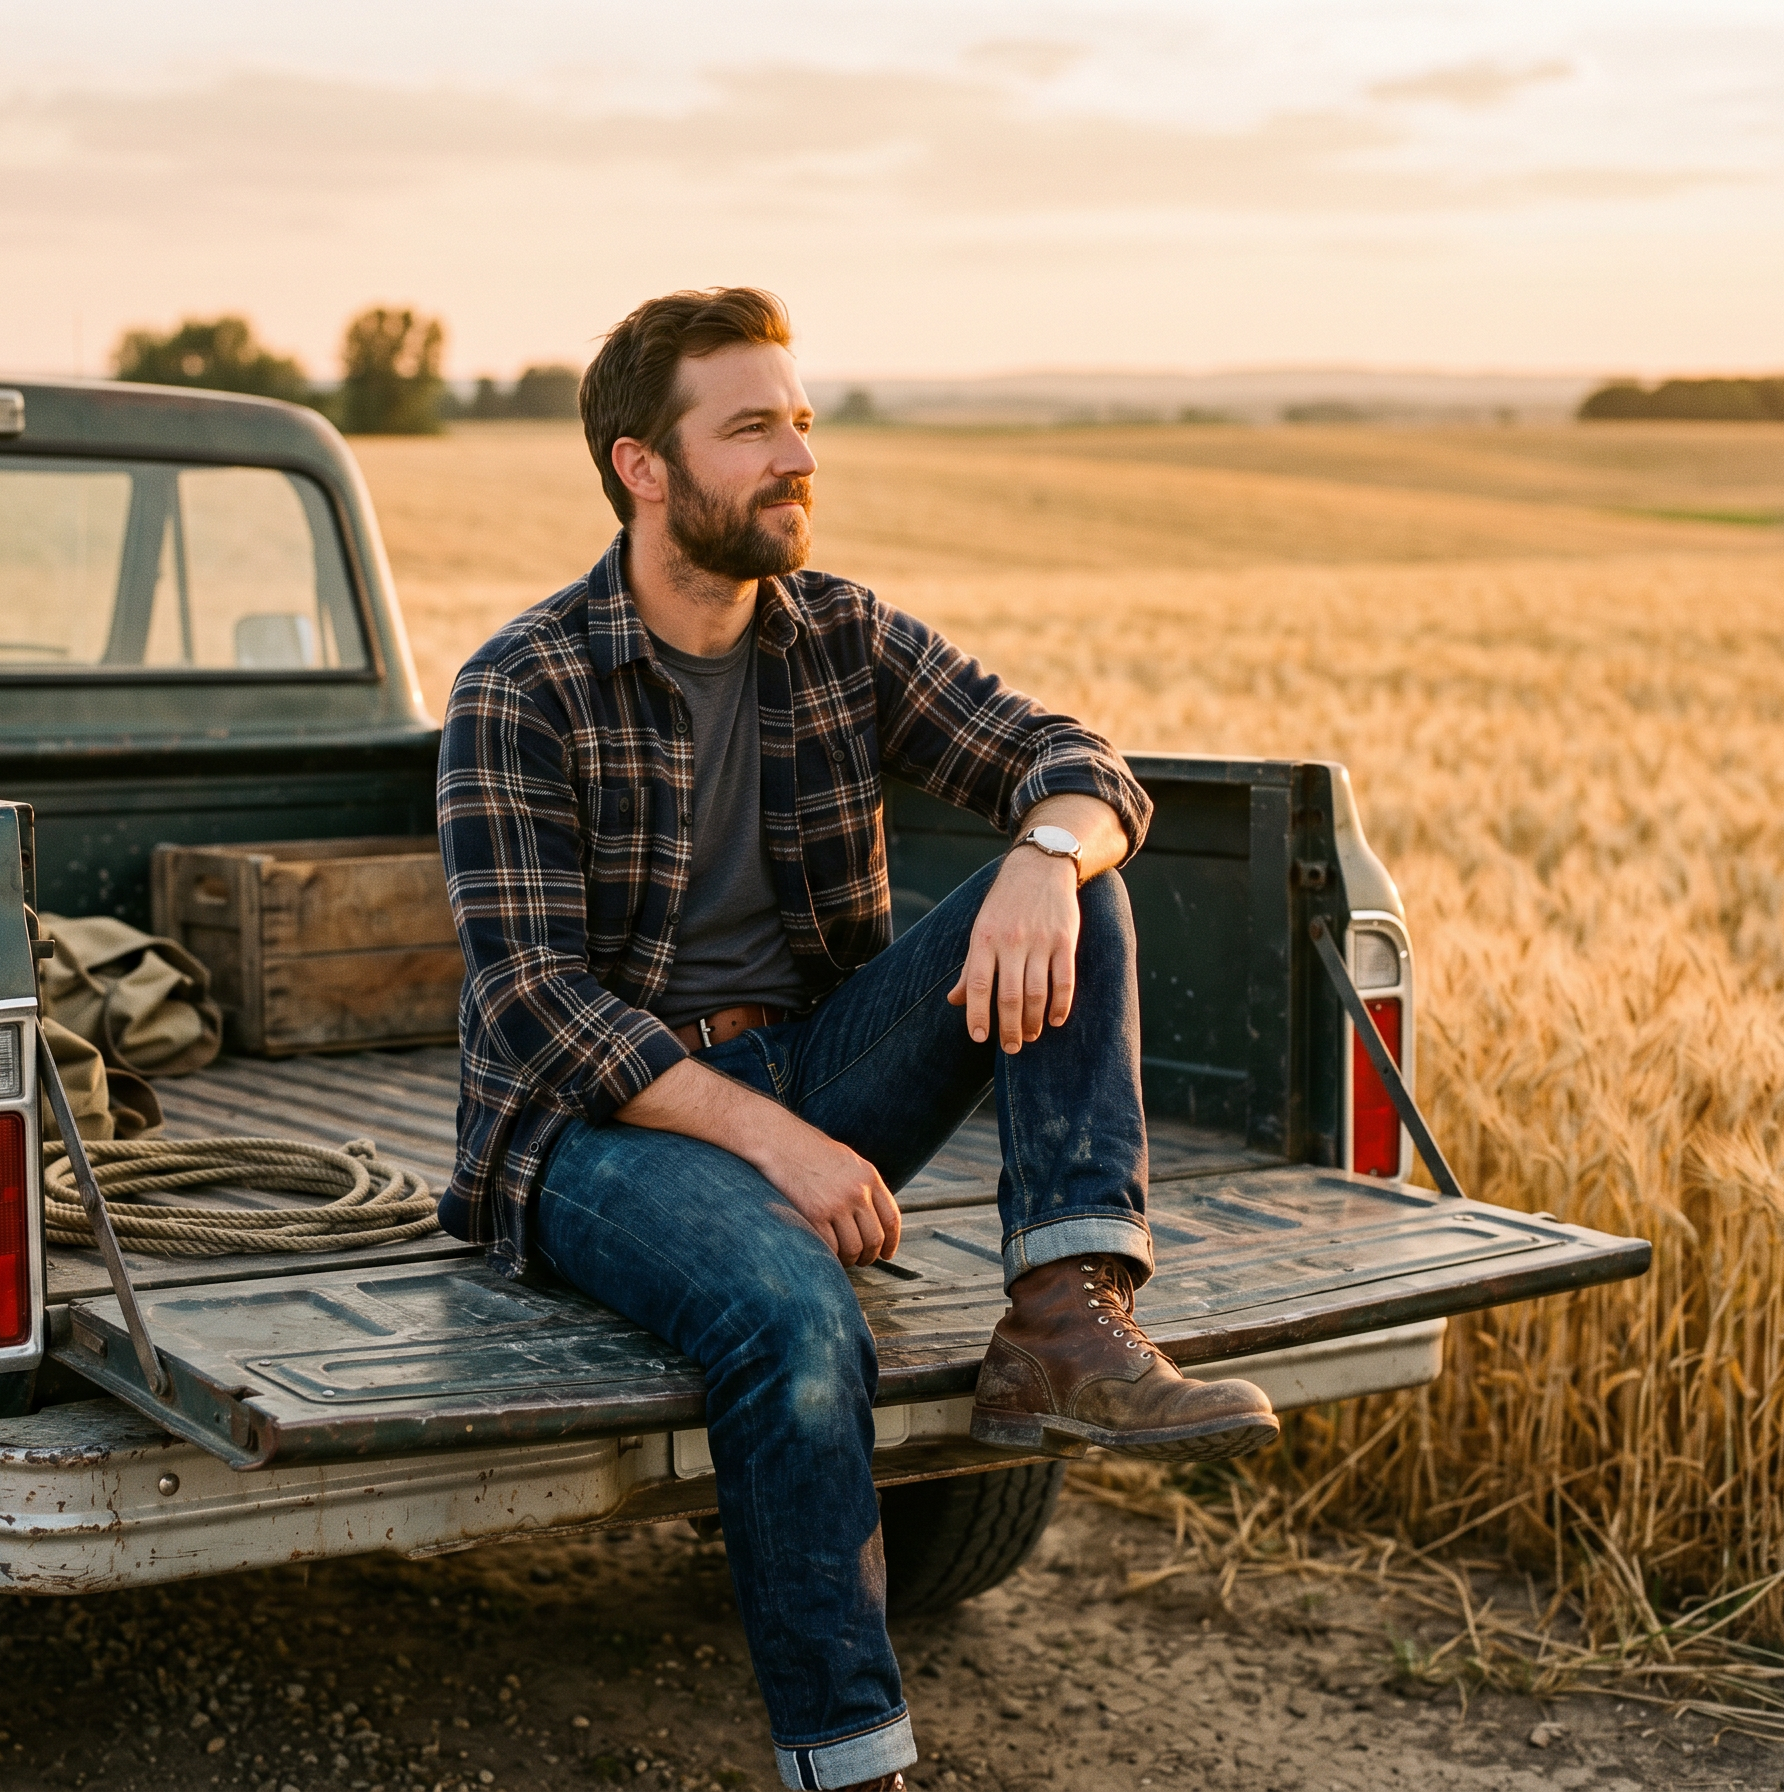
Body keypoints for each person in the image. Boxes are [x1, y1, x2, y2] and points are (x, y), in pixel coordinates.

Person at [436, 287, 1277, 1792]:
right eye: (751, 427)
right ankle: (850, 1762)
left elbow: (1074, 762)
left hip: (815, 1065)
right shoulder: (526, 682)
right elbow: (531, 1003)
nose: (795, 457)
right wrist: (780, 1142)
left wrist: (1045, 855)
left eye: (801, 422)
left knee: (1076, 889)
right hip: (594, 1134)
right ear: (643, 466)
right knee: (794, 1326)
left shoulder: (843, 637)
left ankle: (1065, 1317)